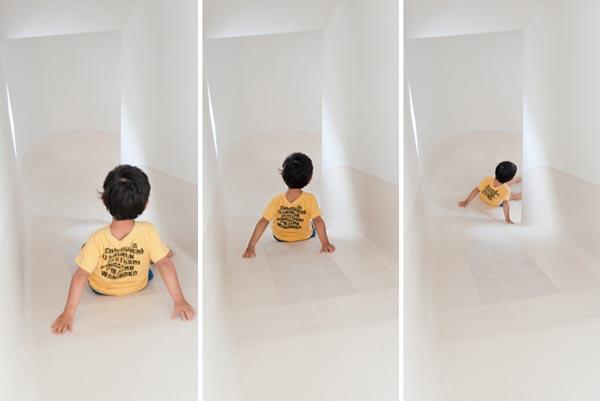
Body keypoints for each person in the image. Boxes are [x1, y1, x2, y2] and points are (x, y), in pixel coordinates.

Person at [51, 165, 195, 335]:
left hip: (101, 288)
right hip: (138, 284)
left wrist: (67, 314)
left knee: (87, 251)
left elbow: (81, 275)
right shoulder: (148, 231)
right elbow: (164, 264)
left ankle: (155, 252)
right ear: (145, 204)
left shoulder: (96, 238)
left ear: (104, 200)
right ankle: (158, 252)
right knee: (157, 258)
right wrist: (180, 301)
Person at [243, 152, 335, 257]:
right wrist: (325, 243)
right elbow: (318, 220)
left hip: (280, 237)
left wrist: (251, 246)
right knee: (314, 221)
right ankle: (311, 225)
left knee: (312, 221)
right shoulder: (310, 199)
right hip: (303, 236)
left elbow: (263, 222)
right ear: (309, 178)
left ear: (283, 177)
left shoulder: (276, 200)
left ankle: (308, 225)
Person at [458, 161, 523, 224]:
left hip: (482, 198)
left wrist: (466, 202)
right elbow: (505, 203)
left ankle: (516, 179)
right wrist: (507, 218)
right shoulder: (506, 190)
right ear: (510, 179)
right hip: (494, 203)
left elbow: (476, 190)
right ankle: (525, 192)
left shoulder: (487, 179)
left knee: (502, 185)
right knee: (513, 196)